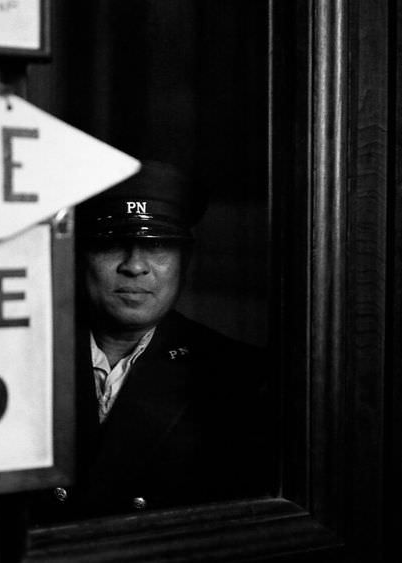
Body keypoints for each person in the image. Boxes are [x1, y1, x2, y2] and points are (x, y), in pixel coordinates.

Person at [29, 161, 271, 525]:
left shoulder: (238, 375)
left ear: (184, 262)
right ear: (79, 257)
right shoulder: (26, 357)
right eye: (111, 244)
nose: (135, 266)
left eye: (156, 245)